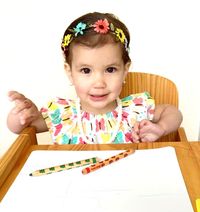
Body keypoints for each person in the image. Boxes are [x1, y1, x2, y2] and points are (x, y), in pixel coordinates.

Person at [7, 12, 182, 144]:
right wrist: (22, 115)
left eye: (110, 69)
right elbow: (18, 128)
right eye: (85, 70)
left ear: (125, 70)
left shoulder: (135, 111)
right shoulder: (61, 115)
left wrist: (161, 127)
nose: (99, 83)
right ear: (70, 72)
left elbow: (173, 113)